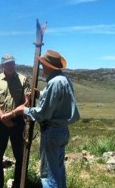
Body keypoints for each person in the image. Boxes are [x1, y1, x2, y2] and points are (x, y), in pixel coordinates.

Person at [12, 49, 80, 188]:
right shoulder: (64, 79)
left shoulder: (54, 82)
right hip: (62, 131)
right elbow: (57, 100)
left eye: (43, 64)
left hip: (52, 131)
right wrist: (42, 94)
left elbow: (43, 113)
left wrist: (23, 110)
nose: (42, 67)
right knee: (58, 170)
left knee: (49, 173)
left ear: (49, 66)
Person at [0, 54, 30, 188]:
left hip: (17, 122)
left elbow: (27, 102)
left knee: (20, 156)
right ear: (2, 65)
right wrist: (3, 117)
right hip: (0, 123)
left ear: (15, 64)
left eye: (12, 63)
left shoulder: (23, 80)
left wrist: (10, 115)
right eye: (7, 64)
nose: (10, 66)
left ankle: (18, 184)